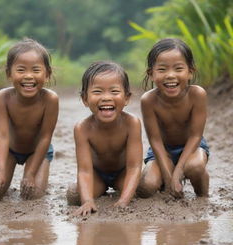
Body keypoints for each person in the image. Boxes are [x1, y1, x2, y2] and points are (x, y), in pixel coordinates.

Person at [0, 38, 59, 202]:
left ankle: (39, 176)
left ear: (47, 74)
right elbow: (2, 135)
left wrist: (30, 174)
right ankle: (5, 175)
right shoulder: (3, 97)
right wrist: (0, 171)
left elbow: (46, 137)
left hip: (37, 151)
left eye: (36, 70)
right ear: (9, 73)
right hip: (10, 150)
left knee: (32, 195)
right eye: (21, 70)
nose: (29, 76)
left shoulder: (50, 99)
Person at [67, 61, 142, 216]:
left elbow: (134, 167)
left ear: (126, 98)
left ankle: (125, 190)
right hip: (98, 175)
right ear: (85, 99)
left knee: (144, 188)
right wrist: (87, 200)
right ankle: (95, 193)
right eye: (98, 92)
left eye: (114, 91)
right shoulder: (82, 129)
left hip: (123, 173)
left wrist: (123, 201)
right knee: (73, 194)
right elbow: (85, 170)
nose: (106, 98)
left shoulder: (132, 123)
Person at [137, 38, 209, 199]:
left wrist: (178, 171)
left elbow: (196, 136)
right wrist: (169, 177)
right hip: (162, 150)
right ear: (151, 74)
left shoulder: (197, 95)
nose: (170, 75)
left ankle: (202, 192)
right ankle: (165, 179)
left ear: (190, 72)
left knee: (195, 167)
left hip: (192, 147)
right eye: (162, 69)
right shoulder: (148, 100)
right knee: (145, 187)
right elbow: (155, 140)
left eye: (178, 68)